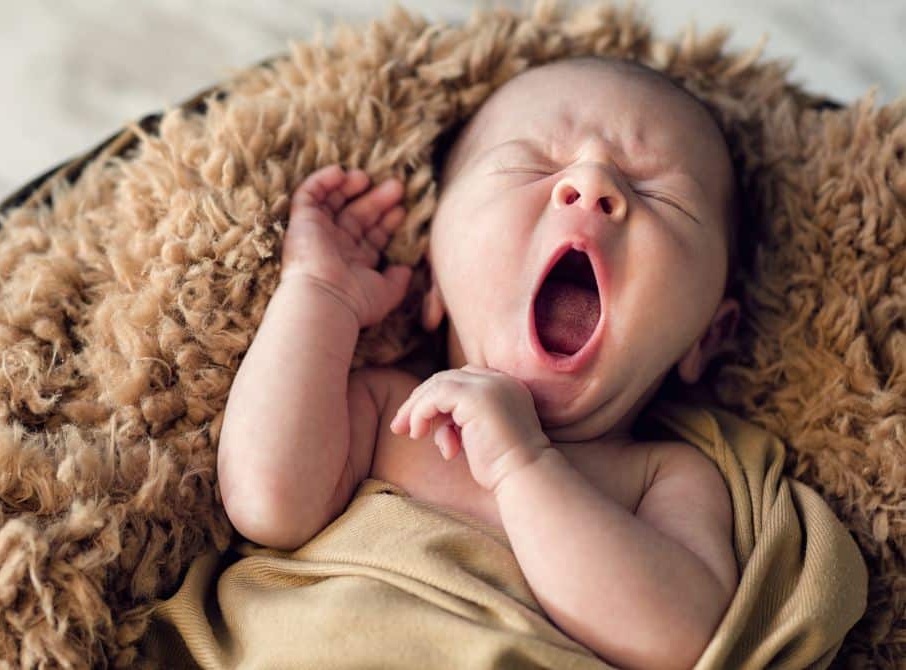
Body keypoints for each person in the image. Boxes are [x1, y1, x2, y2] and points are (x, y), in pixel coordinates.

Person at [217, 56, 746, 669]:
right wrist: (317, 293)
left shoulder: (663, 478)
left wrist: (523, 464)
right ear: (434, 276)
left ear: (709, 336)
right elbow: (264, 503)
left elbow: (678, 638)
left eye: (659, 193)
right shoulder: (387, 413)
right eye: (534, 164)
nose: (591, 184)